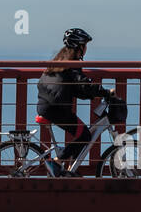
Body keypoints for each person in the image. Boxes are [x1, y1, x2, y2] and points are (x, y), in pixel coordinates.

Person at [36, 27, 125, 175]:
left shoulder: (60, 60)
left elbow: (78, 89)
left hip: (46, 105)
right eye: (85, 46)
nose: (86, 49)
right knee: (85, 135)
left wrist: (95, 94)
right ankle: (56, 162)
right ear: (79, 47)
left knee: (82, 134)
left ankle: (70, 170)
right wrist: (104, 91)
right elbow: (84, 84)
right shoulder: (73, 63)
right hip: (56, 109)